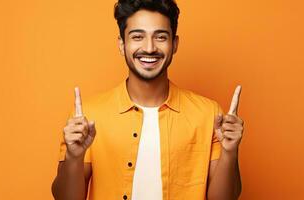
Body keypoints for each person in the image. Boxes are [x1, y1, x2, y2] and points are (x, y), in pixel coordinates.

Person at [52, 0, 244, 199]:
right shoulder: (89, 116)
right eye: (137, 37)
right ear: (121, 44)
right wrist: (73, 158)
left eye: (160, 37)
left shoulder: (208, 114)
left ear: (175, 44)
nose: (150, 48)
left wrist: (230, 153)